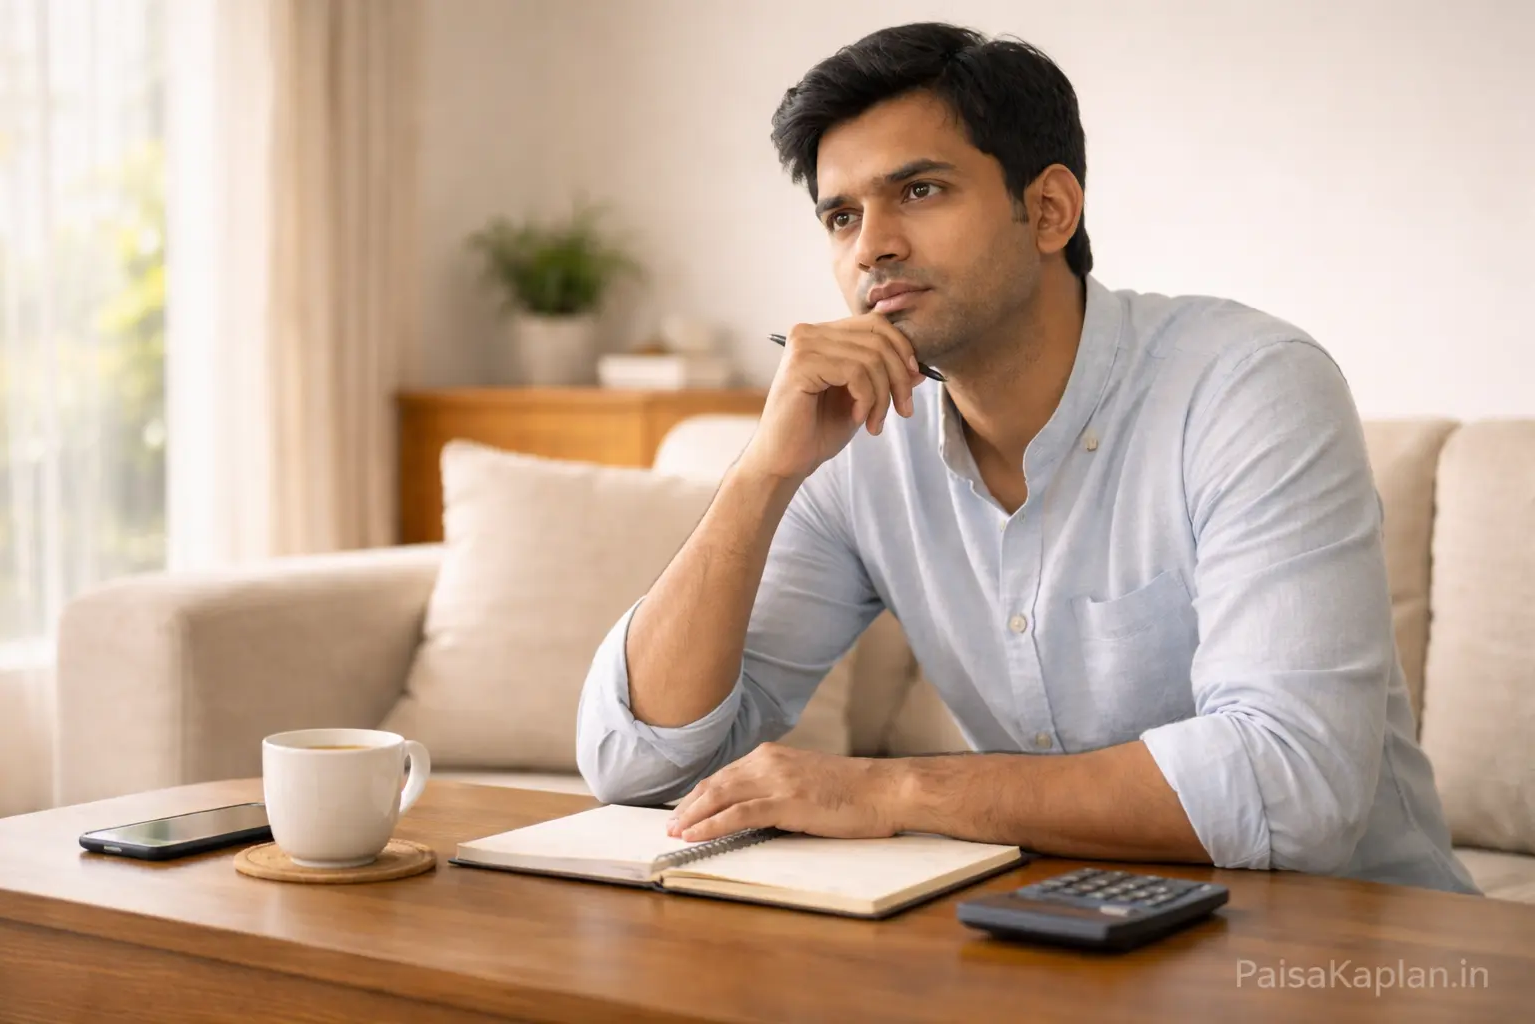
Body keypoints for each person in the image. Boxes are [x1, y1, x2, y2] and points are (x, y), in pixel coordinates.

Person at [575, 22, 1476, 893]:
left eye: (919, 191)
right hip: (1054, 936)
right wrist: (762, 475)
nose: (871, 247)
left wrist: (890, 790)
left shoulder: (1248, 390)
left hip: (1351, 950)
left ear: (1048, 209)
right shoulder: (855, 439)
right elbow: (636, 760)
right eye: (841, 216)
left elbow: (1296, 786)